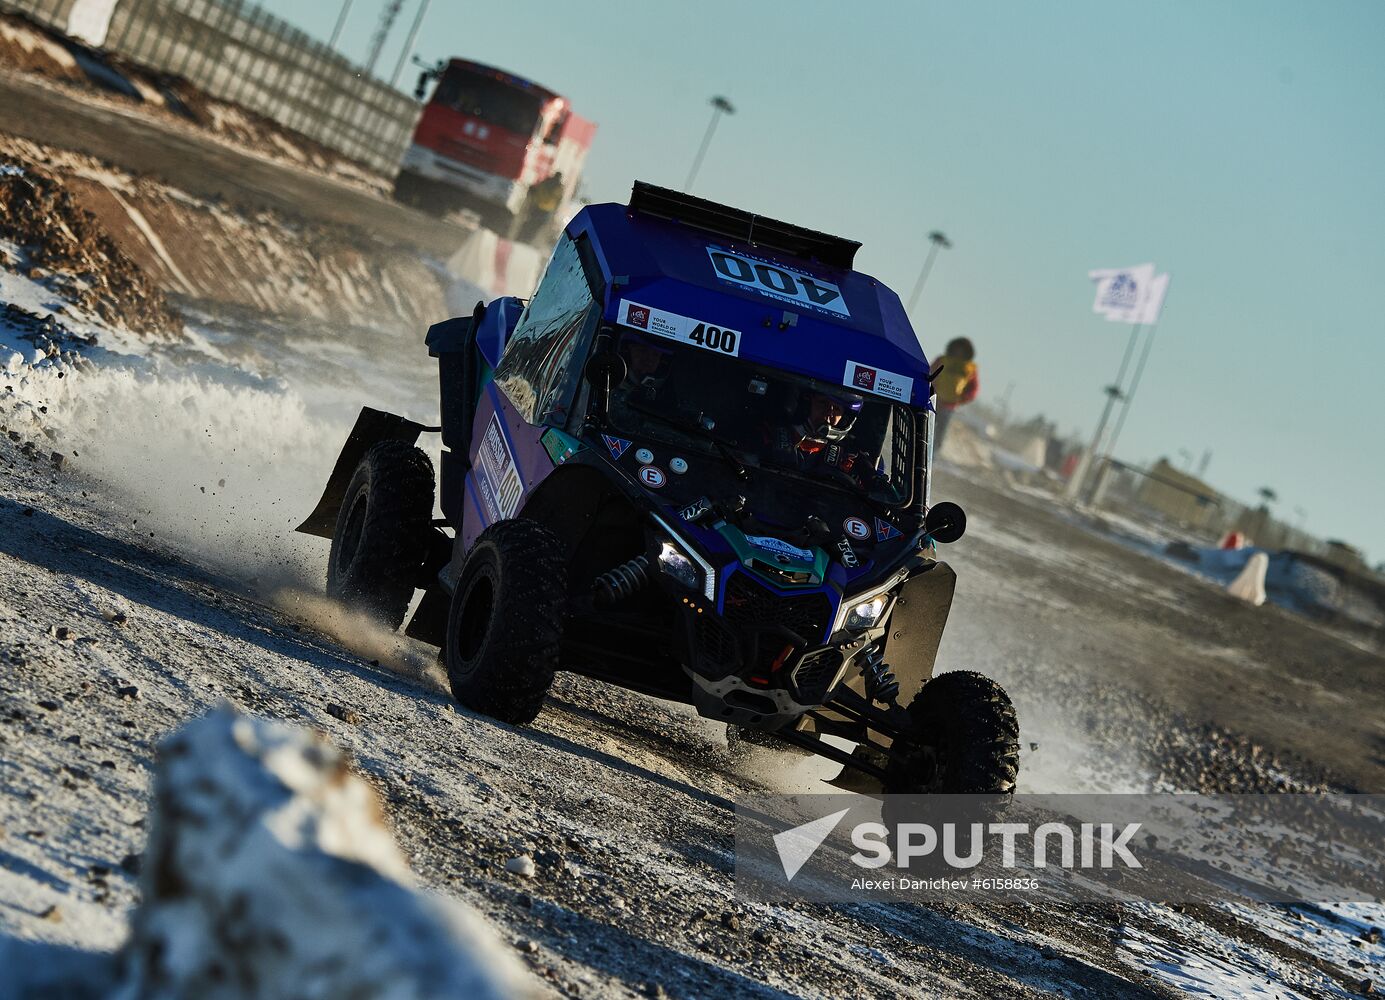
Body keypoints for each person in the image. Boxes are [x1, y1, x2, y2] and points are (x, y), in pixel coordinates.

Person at [930, 337, 979, 455]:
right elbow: (929, 375)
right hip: (932, 401)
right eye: (958, 349)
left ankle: (931, 460)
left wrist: (960, 399)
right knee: (925, 429)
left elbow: (973, 390)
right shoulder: (942, 360)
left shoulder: (969, 369)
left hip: (948, 407)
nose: (959, 352)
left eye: (962, 350)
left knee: (938, 437)